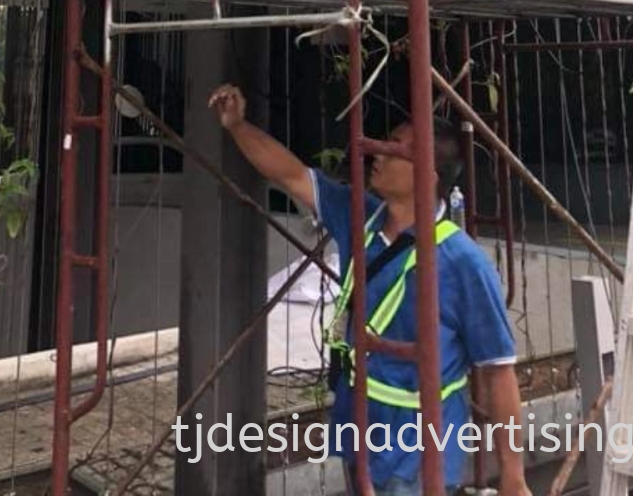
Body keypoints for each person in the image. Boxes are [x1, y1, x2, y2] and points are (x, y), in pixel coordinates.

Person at [208, 84, 531, 496]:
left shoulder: (462, 261)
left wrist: (513, 476)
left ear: (425, 173)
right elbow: (289, 173)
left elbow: (498, 371)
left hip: (419, 451)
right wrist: (236, 126)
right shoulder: (360, 215)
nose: (377, 151)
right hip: (361, 430)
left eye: (393, 146)